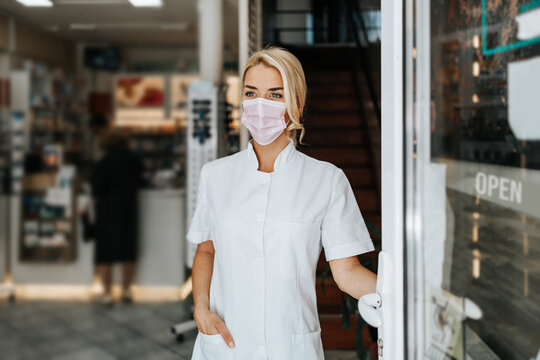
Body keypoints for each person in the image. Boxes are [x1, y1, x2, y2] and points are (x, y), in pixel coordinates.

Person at [188, 46, 377, 360]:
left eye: (275, 95)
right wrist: (200, 309)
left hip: (292, 348)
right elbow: (206, 249)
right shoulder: (215, 176)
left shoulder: (326, 180)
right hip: (225, 345)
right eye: (251, 93)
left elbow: (347, 272)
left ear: (296, 104)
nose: (260, 104)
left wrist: (404, 298)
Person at [90, 128, 144, 306]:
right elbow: (140, 182)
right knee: (128, 251)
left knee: (106, 253)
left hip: (107, 211)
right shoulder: (134, 160)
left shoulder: (103, 162)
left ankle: (107, 293)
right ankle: (127, 290)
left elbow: (97, 189)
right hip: (129, 209)